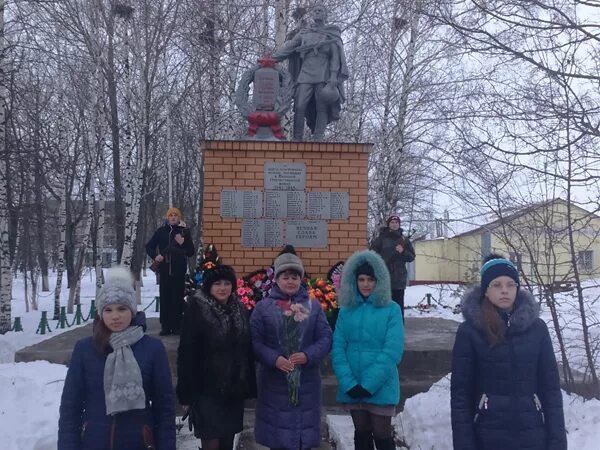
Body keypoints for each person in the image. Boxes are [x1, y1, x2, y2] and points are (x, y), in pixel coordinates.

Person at [450, 255, 567, 450]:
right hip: (487, 436)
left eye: (510, 284)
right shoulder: (470, 332)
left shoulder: (537, 329)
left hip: (533, 435)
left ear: (517, 288)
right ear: (486, 291)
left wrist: (557, 443)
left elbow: (551, 391)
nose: (504, 290)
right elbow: (461, 396)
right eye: (497, 285)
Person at [58, 267, 176, 450]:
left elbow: (164, 407)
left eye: (122, 308)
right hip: (93, 442)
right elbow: (70, 407)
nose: (115, 316)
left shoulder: (152, 349)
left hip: (139, 442)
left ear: (132, 310)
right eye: (108, 310)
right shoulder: (85, 349)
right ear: (100, 313)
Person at [250, 249, 332, 450]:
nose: (290, 281)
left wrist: (307, 355)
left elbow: (326, 337)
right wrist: (274, 359)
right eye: (285, 277)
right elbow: (255, 341)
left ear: (301, 279)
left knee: (302, 439)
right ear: (277, 279)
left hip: (306, 382)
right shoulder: (263, 308)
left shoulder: (313, 306)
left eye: (295, 277)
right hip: (274, 383)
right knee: (277, 439)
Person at [176, 265, 256, 450]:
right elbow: (187, 353)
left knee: (227, 440)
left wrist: (249, 385)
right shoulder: (197, 310)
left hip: (233, 391)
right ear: (208, 287)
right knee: (211, 440)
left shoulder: (240, 309)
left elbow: (246, 350)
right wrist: (186, 394)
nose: (222, 288)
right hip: (206, 390)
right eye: (217, 283)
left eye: (227, 283)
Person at [331, 250, 404, 450]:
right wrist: (349, 383)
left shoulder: (392, 309)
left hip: (381, 385)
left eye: (370, 279)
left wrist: (370, 383)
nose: (365, 284)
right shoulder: (346, 310)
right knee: (361, 434)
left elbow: (392, 350)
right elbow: (338, 348)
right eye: (361, 279)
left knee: (382, 435)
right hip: (353, 386)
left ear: (379, 280)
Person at [273, 2, 349, 140]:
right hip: (305, 76)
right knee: (300, 105)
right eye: (315, 11)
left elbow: (335, 59)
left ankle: (318, 137)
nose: (317, 13)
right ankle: (297, 138)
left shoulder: (331, 35)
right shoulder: (304, 34)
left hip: (323, 76)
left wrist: (333, 77)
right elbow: (289, 48)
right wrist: (272, 59)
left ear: (326, 14)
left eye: (320, 11)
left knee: (322, 106)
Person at [146, 207, 195, 335]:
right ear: (167, 217)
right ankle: (166, 326)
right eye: (171, 215)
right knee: (165, 298)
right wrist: (155, 256)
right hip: (164, 270)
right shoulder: (161, 231)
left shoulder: (184, 232)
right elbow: (149, 246)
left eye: (176, 215)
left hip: (179, 270)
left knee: (177, 298)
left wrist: (183, 243)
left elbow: (190, 252)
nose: (173, 217)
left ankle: (177, 325)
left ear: (179, 218)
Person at [370, 214, 415, 321]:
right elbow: (372, 255)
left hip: (399, 280)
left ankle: (398, 329)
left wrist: (403, 251)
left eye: (396, 222)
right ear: (388, 224)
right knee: (383, 306)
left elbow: (411, 257)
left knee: (398, 307)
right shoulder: (381, 239)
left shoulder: (404, 240)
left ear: (399, 224)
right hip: (383, 279)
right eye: (392, 222)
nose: (394, 224)